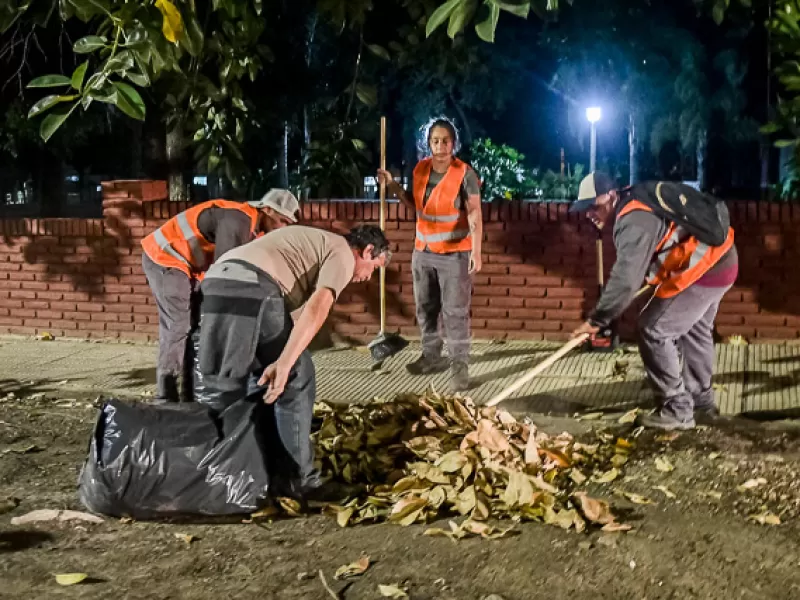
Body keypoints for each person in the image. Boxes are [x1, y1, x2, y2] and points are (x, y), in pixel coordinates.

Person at [195, 224, 390, 501]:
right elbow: (319, 305)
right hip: (254, 284)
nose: (369, 276)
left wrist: (282, 357)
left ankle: (252, 470)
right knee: (297, 376)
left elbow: (294, 321)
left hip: (218, 280)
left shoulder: (310, 249)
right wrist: (285, 363)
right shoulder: (343, 253)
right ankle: (300, 481)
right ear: (368, 250)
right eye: (375, 267)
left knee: (249, 380)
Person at [569, 172, 738, 431]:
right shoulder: (637, 201)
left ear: (612, 196)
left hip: (704, 269)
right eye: (585, 209)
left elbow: (627, 279)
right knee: (695, 330)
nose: (590, 214)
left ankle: (676, 409)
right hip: (722, 259)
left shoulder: (633, 219)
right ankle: (701, 405)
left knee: (653, 329)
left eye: (594, 206)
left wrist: (597, 319)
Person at [141, 189, 300, 403]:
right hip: (165, 257)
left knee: (195, 326)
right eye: (283, 221)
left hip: (188, 266)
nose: (283, 228)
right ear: (268, 210)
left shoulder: (256, 229)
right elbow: (226, 270)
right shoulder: (238, 220)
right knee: (178, 326)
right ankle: (165, 398)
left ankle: (189, 396)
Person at [376, 116, 483, 392]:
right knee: (426, 309)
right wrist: (393, 186)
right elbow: (416, 206)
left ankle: (460, 367)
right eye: (435, 141)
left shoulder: (464, 174)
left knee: (455, 313)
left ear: (454, 143)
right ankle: (431, 356)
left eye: (445, 140)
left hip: (454, 255)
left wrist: (476, 250)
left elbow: (474, 213)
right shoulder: (421, 170)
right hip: (422, 252)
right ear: (428, 144)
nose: (440, 146)